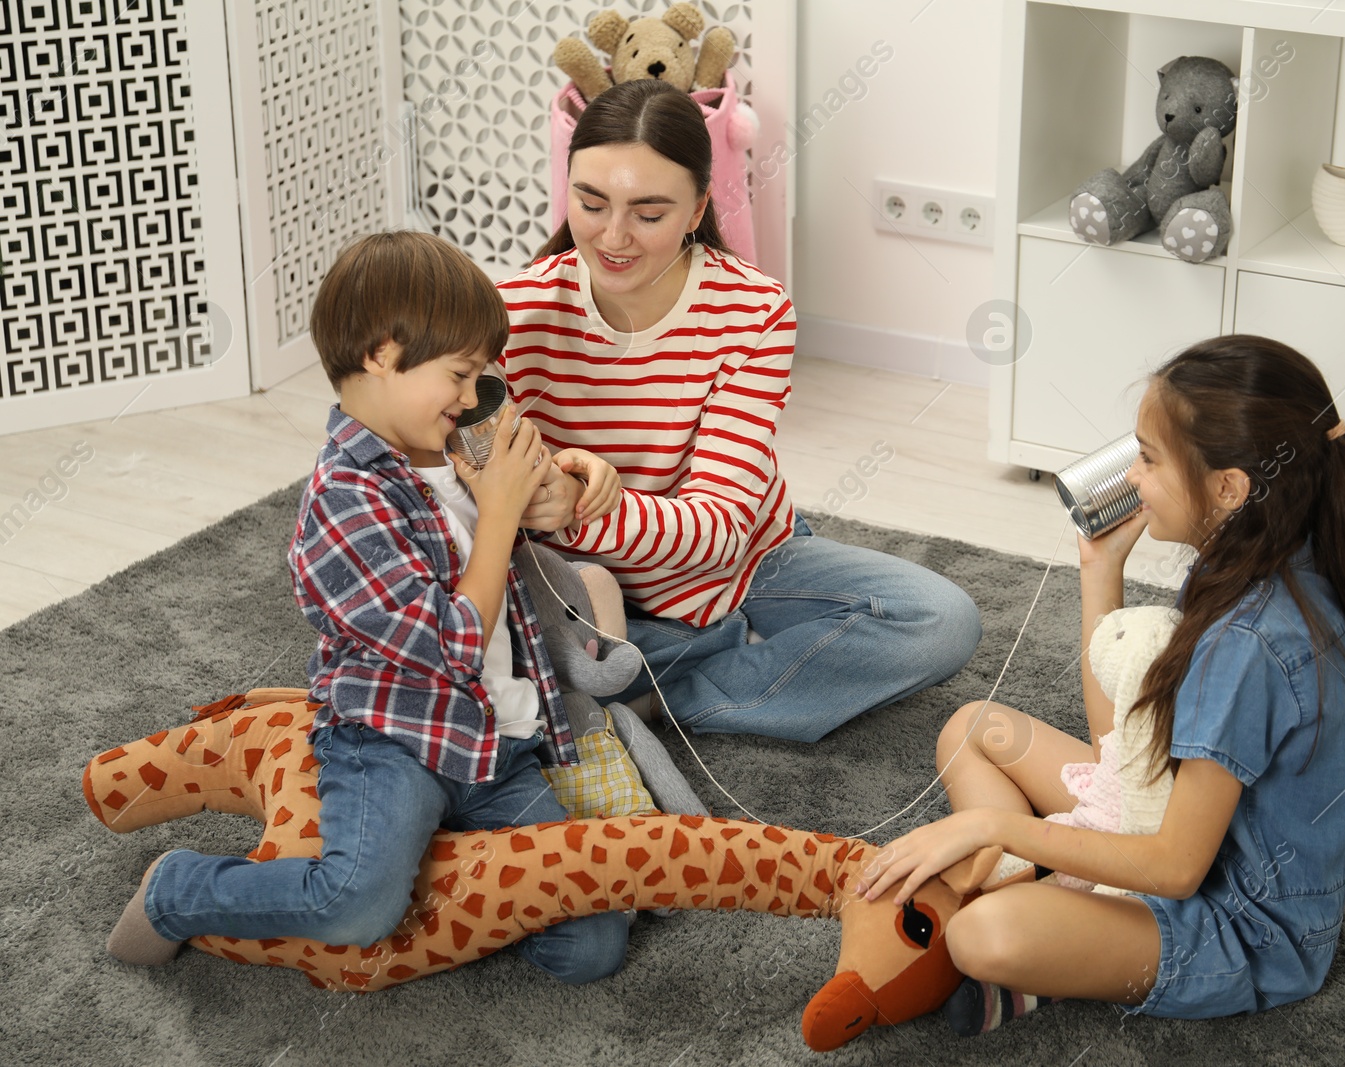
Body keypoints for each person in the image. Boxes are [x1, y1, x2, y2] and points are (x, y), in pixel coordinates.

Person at [106, 231, 632, 984]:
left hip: (495, 743)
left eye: (483, 372)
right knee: (357, 905)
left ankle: (436, 863)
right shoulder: (343, 500)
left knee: (590, 945)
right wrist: (497, 516)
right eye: (460, 372)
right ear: (383, 354)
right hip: (394, 742)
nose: (474, 392)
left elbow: (532, 534)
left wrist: (560, 487)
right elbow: (451, 642)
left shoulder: (456, 452)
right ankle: (181, 890)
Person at [856, 335, 1345, 1033]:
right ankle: (1049, 884)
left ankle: (1038, 913)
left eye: (1148, 458)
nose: (1133, 478)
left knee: (982, 934)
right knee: (973, 727)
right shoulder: (1257, 557)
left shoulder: (1251, 643)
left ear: (1229, 488)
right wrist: (1100, 573)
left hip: (1239, 923)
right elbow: (1125, 753)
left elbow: (1176, 867)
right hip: (1180, 816)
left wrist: (994, 826)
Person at [496, 79, 982, 742]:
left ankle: (665, 696)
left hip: (738, 563)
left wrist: (578, 506)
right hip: (579, 585)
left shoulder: (754, 312)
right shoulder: (512, 313)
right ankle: (705, 656)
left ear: (697, 207)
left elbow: (719, 529)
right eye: (590, 201)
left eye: (648, 212)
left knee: (939, 620)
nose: (613, 236)